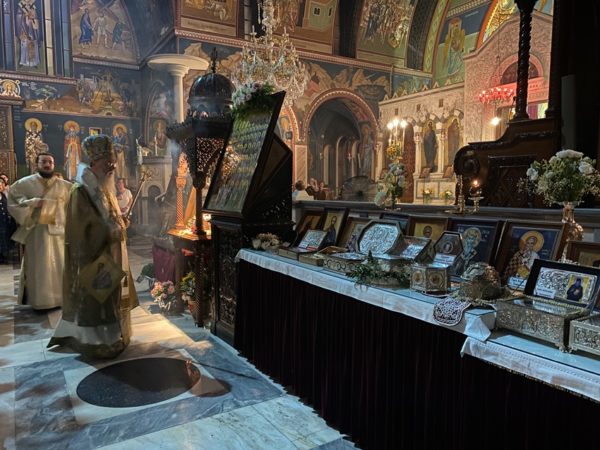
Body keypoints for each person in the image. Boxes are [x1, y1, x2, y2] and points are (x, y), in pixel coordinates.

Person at [49, 135, 138, 359]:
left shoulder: (103, 187)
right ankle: (95, 343)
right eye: (107, 162)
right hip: (94, 258)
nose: (112, 167)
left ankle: (112, 338)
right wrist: (111, 230)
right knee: (96, 302)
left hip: (111, 256)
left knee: (110, 300)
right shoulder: (81, 191)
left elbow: (110, 217)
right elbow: (79, 231)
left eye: (113, 162)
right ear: (93, 162)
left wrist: (120, 222)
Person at [7, 153, 71, 309]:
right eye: (44, 162)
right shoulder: (24, 183)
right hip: (37, 232)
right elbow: (14, 200)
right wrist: (34, 202)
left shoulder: (65, 185)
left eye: (50, 162)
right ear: (37, 164)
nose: (47, 164)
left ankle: (60, 299)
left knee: (59, 265)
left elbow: (73, 206)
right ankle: (40, 300)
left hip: (58, 233)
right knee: (38, 266)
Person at [0, 178, 16, 264]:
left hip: (4, 221)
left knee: (4, 239)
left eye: (2, 184)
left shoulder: (4, 196)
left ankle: (3, 255)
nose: (0, 186)